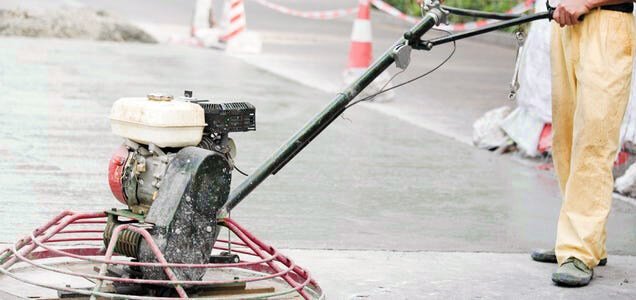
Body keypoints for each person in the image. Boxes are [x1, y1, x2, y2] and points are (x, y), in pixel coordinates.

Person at [531, 0, 635, 287]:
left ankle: (578, 248)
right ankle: (582, 239)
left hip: (607, 25)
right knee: (565, 138)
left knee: (594, 141)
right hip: (565, 25)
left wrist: (586, 1)